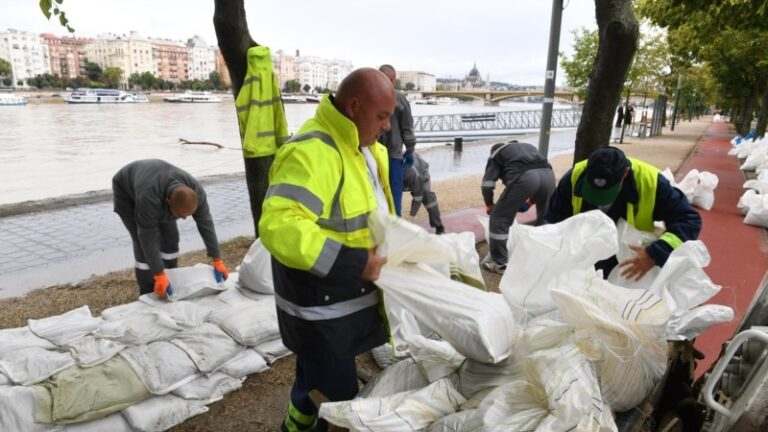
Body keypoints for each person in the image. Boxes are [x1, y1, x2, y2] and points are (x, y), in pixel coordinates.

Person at [259, 68, 395, 432]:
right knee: (335, 395)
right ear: (353, 107)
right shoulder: (311, 152)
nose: (386, 126)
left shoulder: (367, 151)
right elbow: (280, 225)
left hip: (350, 297)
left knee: (313, 382)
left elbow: (376, 213)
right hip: (322, 308)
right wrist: (354, 261)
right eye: (381, 116)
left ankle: (295, 425)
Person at [546, 146, 702, 280]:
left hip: (630, 261)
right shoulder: (573, 178)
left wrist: (655, 253)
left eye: (607, 194)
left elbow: (689, 219)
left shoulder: (652, 183)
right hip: (585, 256)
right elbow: (553, 221)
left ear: (625, 174)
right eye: (594, 193)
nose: (600, 202)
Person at [112, 159, 229, 297]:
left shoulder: (197, 193)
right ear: (168, 203)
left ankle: (170, 278)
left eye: (188, 215)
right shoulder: (149, 198)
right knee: (142, 244)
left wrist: (217, 258)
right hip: (127, 192)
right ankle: (148, 289)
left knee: (171, 238)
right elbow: (147, 237)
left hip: (157, 183)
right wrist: (159, 273)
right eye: (180, 215)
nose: (185, 218)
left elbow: (206, 224)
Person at [235, 45, 289, 238]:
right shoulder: (270, 77)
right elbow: (278, 112)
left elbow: (242, 103)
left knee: (263, 197)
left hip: (254, 146)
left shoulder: (252, 78)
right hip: (273, 143)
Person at [481, 140, 555, 273]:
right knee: (545, 218)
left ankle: (499, 263)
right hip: (548, 176)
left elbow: (487, 184)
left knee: (499, 219)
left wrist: (489, 204)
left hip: (525, 178)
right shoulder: (527, 147)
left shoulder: (496, 154)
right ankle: (543, 256)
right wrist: (532, 200)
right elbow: (538, 174)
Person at [378, 64, 416, 216]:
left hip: (370, 154)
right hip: (393, 155)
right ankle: (395, 225)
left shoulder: (370, 96)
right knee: (394, 195)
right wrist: (410, 149)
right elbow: (407, 127)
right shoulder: (399, 99)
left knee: (374, 192)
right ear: (393, 80)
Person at [404, 152, 445, 234]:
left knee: (428, 199)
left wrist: (412, 214)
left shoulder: (413, 175)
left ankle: (439, 226)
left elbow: (418, 197)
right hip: (407, 175)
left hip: (421, 175)